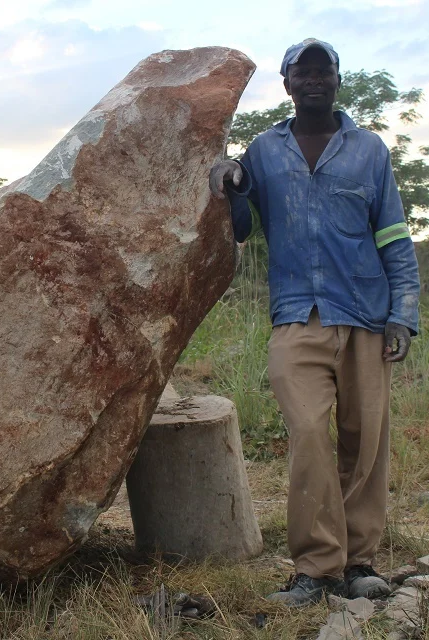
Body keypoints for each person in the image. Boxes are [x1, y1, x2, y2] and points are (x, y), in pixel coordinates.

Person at [209, 38, 420, 606]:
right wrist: (229, 176)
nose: (312, 81)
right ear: (287, 84)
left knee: (364, 441)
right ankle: (314, 568)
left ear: (336, 79)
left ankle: (359, 563)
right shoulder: (265, 150)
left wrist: (403, 313)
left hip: (367, 315)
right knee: (308, 437)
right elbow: (245, 225)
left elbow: (394, 236)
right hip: (296, 315)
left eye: (322, 71)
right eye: (301, 73)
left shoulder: (369, 151)